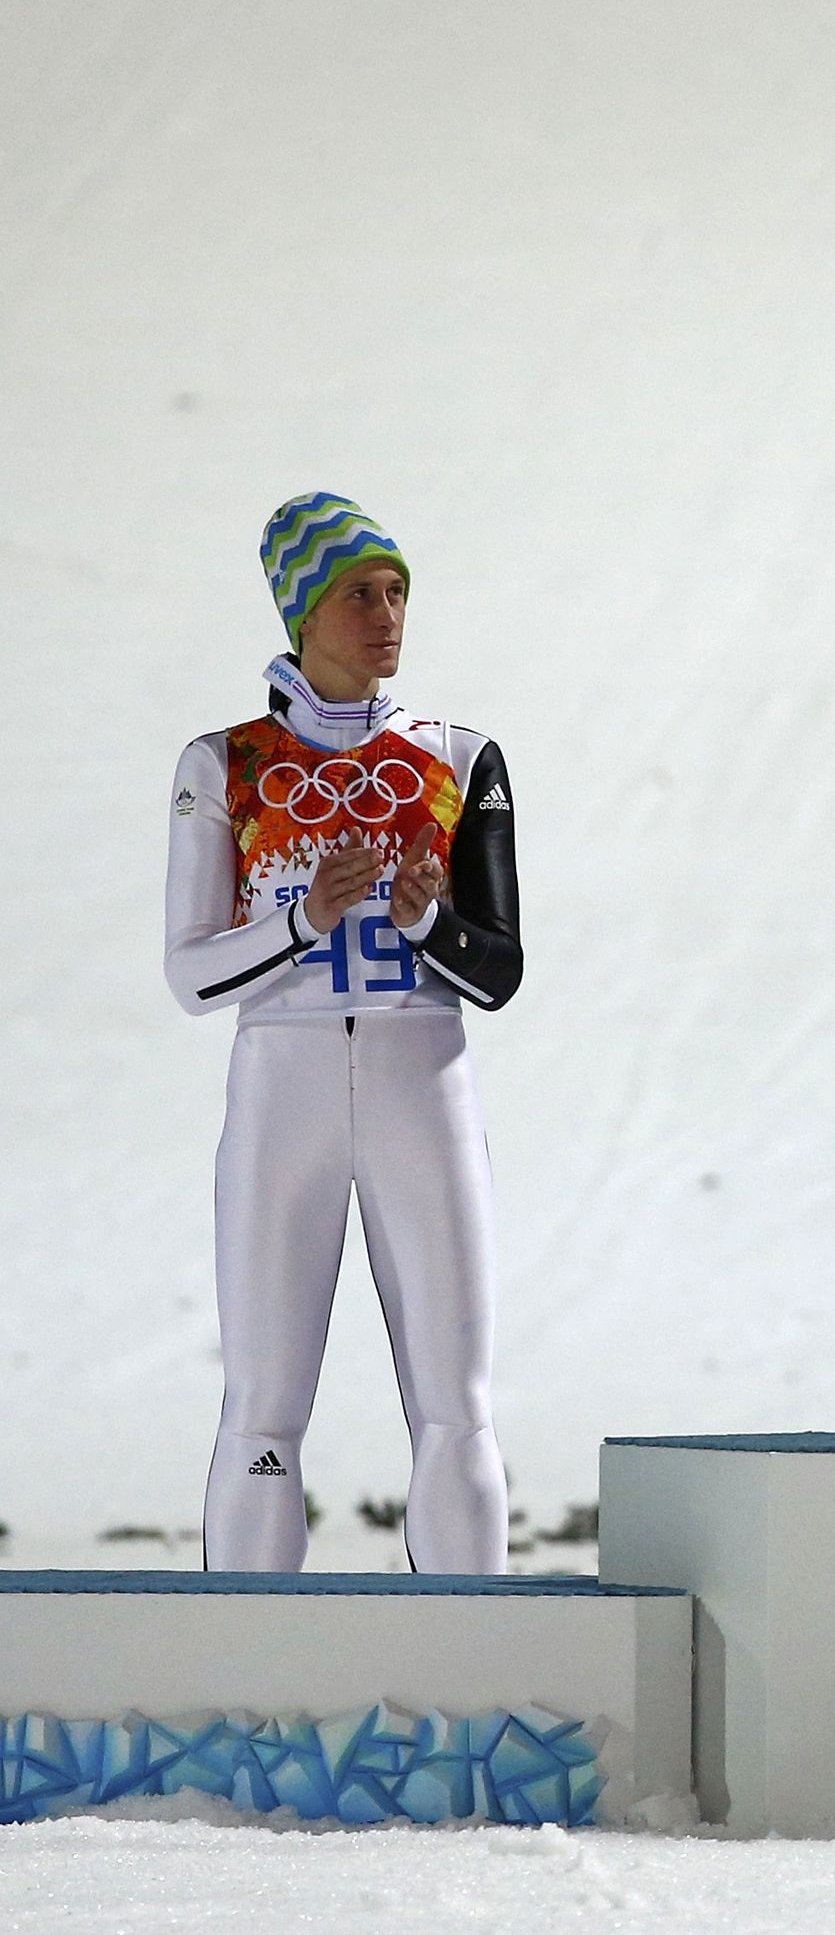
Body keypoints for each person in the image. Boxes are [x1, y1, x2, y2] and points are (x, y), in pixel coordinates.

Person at [163, 495, 523, 1572]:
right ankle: (245, 1691)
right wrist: (303, 917)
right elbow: (188, 974)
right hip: (285, 1084)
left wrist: (422, 918)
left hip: (426, 1077)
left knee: (457, 1407)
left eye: (398, 590)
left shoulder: (459, 756)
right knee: (264, 1405)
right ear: (302, 611)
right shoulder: (223, 763)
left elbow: (498, 971)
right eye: (359, 592)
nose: (388, 614)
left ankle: (480, 1685)